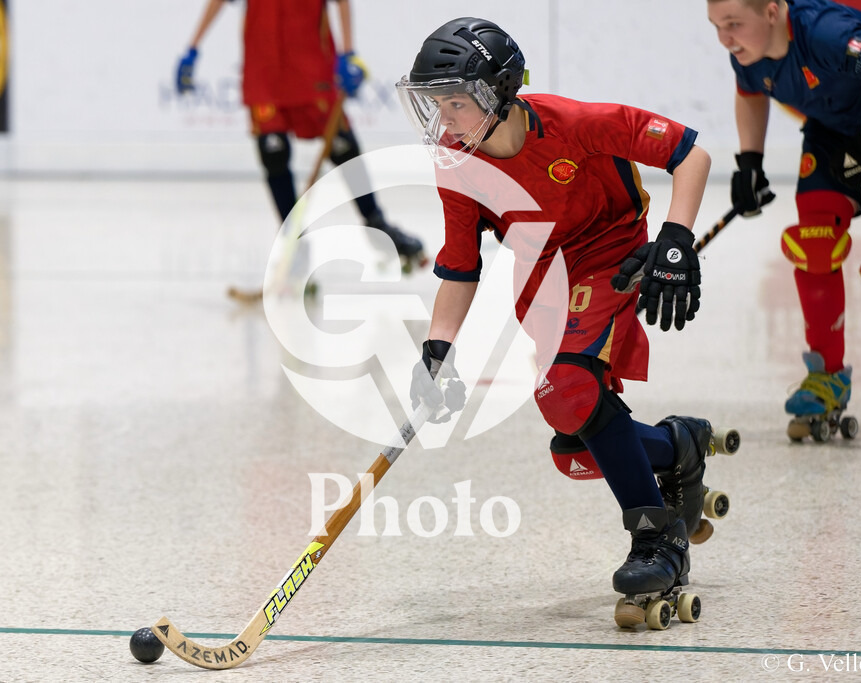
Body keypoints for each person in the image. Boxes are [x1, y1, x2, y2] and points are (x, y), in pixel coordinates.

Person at [398, 17, 717, 628]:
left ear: (499, 93)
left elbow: (689, 153)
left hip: (608, 253)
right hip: (541, 280)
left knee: (569, 387)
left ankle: (657, 540)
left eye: (457, 103)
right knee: (574, 446)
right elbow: (460, 266)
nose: (445, 119)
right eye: (436, 104)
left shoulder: (577, 124)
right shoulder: (456, 162)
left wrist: (676, 240)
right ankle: (676, 445)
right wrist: (436, 350)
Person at [707, 0, 861, 435]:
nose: (725, 38)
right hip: (832, 136)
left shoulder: (823, 32)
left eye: (734, 24)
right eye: (716, 26)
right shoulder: (747, 54)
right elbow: (750, 91)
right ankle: (826, 375)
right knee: (814, 243)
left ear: (772, 12)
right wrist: (749, 162)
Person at [175, 0, 426, 270]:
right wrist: (193, 47)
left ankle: (377, 223)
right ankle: (293, 243)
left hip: (312, 66)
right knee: (273, 152)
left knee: (343, 146)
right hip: (265, 71)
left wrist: (348, 53)